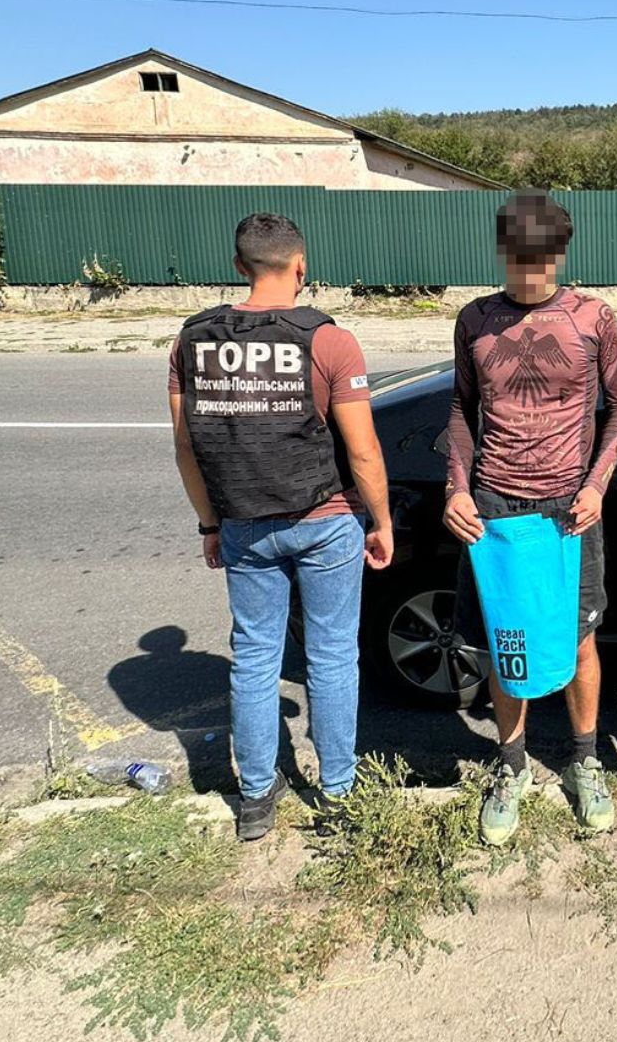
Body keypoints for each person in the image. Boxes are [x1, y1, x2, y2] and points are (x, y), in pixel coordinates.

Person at [168, 212, 394, 842]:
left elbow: (186, 447)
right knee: (332, 655)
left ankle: (255, 798)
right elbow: (364, 451)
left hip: (243, 522)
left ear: (239, 266)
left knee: (255, 657)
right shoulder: (329, 340)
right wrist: (381, 522)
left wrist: (209, 524)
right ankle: (338, 792)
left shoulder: (192, 341)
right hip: (326, 520)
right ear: (301, 266)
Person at [442, 193, 617, 846]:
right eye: (518, 258)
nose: (529, 272)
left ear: (560, 254)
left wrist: (598, 485)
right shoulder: (475, 320)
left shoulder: (592, 317)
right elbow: (461, 411)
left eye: (541, 259)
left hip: (569, 508)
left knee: (579, 640)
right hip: (494, 507)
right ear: (501, 251)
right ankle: (513, 765)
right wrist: (456, 489)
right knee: (508, 639)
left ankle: (585, 761)